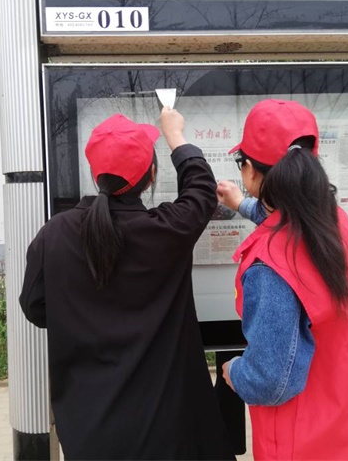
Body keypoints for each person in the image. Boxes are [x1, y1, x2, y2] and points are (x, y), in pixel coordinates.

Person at [19, 108, 236, 461]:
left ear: (95, 175)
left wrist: (81, 318)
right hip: (170, 433)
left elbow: (35, 307)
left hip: (90, 431)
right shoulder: (167, 230)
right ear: (150, 177)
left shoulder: (54, 234)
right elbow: (200, 190)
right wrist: (175, 135)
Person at [217, 99, 348, 460]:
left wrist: (235, 372)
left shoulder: (270, 267)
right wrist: (240, 203)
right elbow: (282, 215)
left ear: (250, 170)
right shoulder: (332, 221)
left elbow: (270, 381)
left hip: (303, 444)